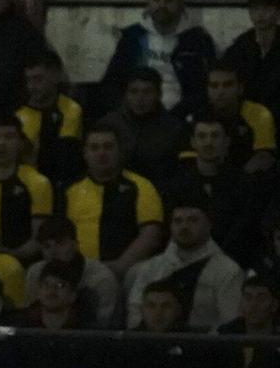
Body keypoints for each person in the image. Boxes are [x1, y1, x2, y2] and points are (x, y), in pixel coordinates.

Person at [102, 0, 216, 113]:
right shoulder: (133, 37)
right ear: (149, 3)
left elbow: (208, 86)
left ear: (181, 3)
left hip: (183, 116)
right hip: (135, 115)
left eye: (168, 0)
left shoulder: (198, 39)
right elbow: (112, 82)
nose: (162, 5)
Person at [125, 200, 244, 330]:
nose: (184, 227)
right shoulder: (151, 267)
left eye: (193, 220)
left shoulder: (228, 270)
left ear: (209, 225)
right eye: (178, 221)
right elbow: (135, 314)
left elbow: (231, 324)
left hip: (203, 341)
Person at [64, 124, 165, 272]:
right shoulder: (69, 190)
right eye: (94, 148)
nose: (101, 153)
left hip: (126, 271)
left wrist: (119, 266)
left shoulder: (141, 186)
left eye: (108, 147)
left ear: (119, 151)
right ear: (85, 153)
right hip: (76, 270)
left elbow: (151, 234)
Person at [165, 116, 262, 264]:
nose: (208, 142)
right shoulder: (177, 184)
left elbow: (246, 231)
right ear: (193, 142)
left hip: (234, 261)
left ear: (227, 141)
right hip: (185, 259)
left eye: (215, 136)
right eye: (202, 136)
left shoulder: (246, 184)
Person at [0, 114, 53, 262]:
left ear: (20, 143)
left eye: (9, 137)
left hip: (24, 263)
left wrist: (10, 257)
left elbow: (40, 237)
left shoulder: (38, 183)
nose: (2, 143)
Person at [22, 216, 121, 328]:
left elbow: (103, 328)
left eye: (60, 244)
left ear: (75, 245)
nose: (53, 252)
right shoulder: (35, 273)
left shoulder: (101, 279)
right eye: (47, 246)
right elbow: (30, 319)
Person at [187, 62, 277, 175]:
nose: (220, 91)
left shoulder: (259, 114)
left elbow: (264, 157)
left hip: (246, 177)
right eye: (214, 86)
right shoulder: (198, 114)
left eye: (227, 85)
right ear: (208, 90)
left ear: (240, 88)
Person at [100, 67, 187, 183]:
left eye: (147, 92)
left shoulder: (174, 128)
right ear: (125, 94)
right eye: (134, 92)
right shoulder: (108, 125)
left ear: (159, 94)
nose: (140, 98)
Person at [16, 51, 85, 183]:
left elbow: (65, 153)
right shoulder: (19, 115)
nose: (32, 87)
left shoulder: (70, 109)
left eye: (38, 79)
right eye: (29, 80)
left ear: (55, 77)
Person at [222, 0, 280, 110]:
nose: (260, 14)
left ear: (277, 12)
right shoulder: (240, 46)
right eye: (255, 8)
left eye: (267, 8)